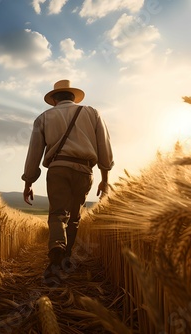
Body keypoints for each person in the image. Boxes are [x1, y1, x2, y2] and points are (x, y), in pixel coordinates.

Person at [21, 79, 114, 283]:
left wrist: (28, 182)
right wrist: (104, 179)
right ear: (73, 97)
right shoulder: (92, 113)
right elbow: (104, 147)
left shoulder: (43, 118)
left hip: (57, 169)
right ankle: (66, 257)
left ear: (54, 99)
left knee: (57, 214)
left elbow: (34, 152)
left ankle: (56, 251)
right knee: (74, 216)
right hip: (84, 170)